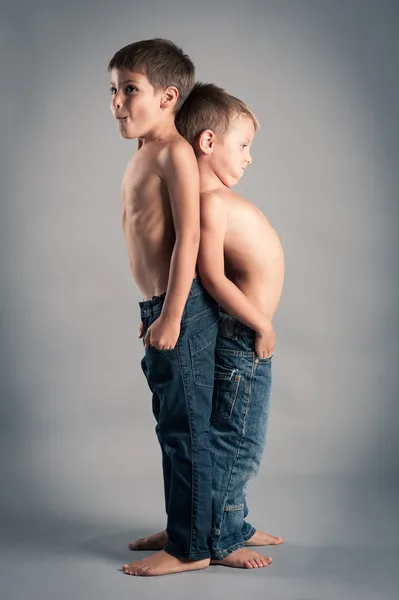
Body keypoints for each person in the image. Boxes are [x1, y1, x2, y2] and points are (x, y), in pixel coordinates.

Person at [130, 83, 285, 569]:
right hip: (244, 337)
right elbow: (212, 278)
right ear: (209, 143)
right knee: (236, 441)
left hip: (238, 333)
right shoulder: (210, 203)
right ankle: (217, 536)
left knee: (224, 434)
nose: (250, 158)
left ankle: (223, 520)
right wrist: (262, 323)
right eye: (243, 146)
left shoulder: (207, 197)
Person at [109, 40, 219, 577]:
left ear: (168, 96)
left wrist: (173, 312)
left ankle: (191, 547)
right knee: (170, 426)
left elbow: (189, 238)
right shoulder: (143, 151)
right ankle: (184, 524)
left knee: (187, 430)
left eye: (130, 89)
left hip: (184, 307)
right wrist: (152, 308)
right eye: (113, 90)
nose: (117, 102)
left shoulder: (174, 152)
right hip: (158, 304)